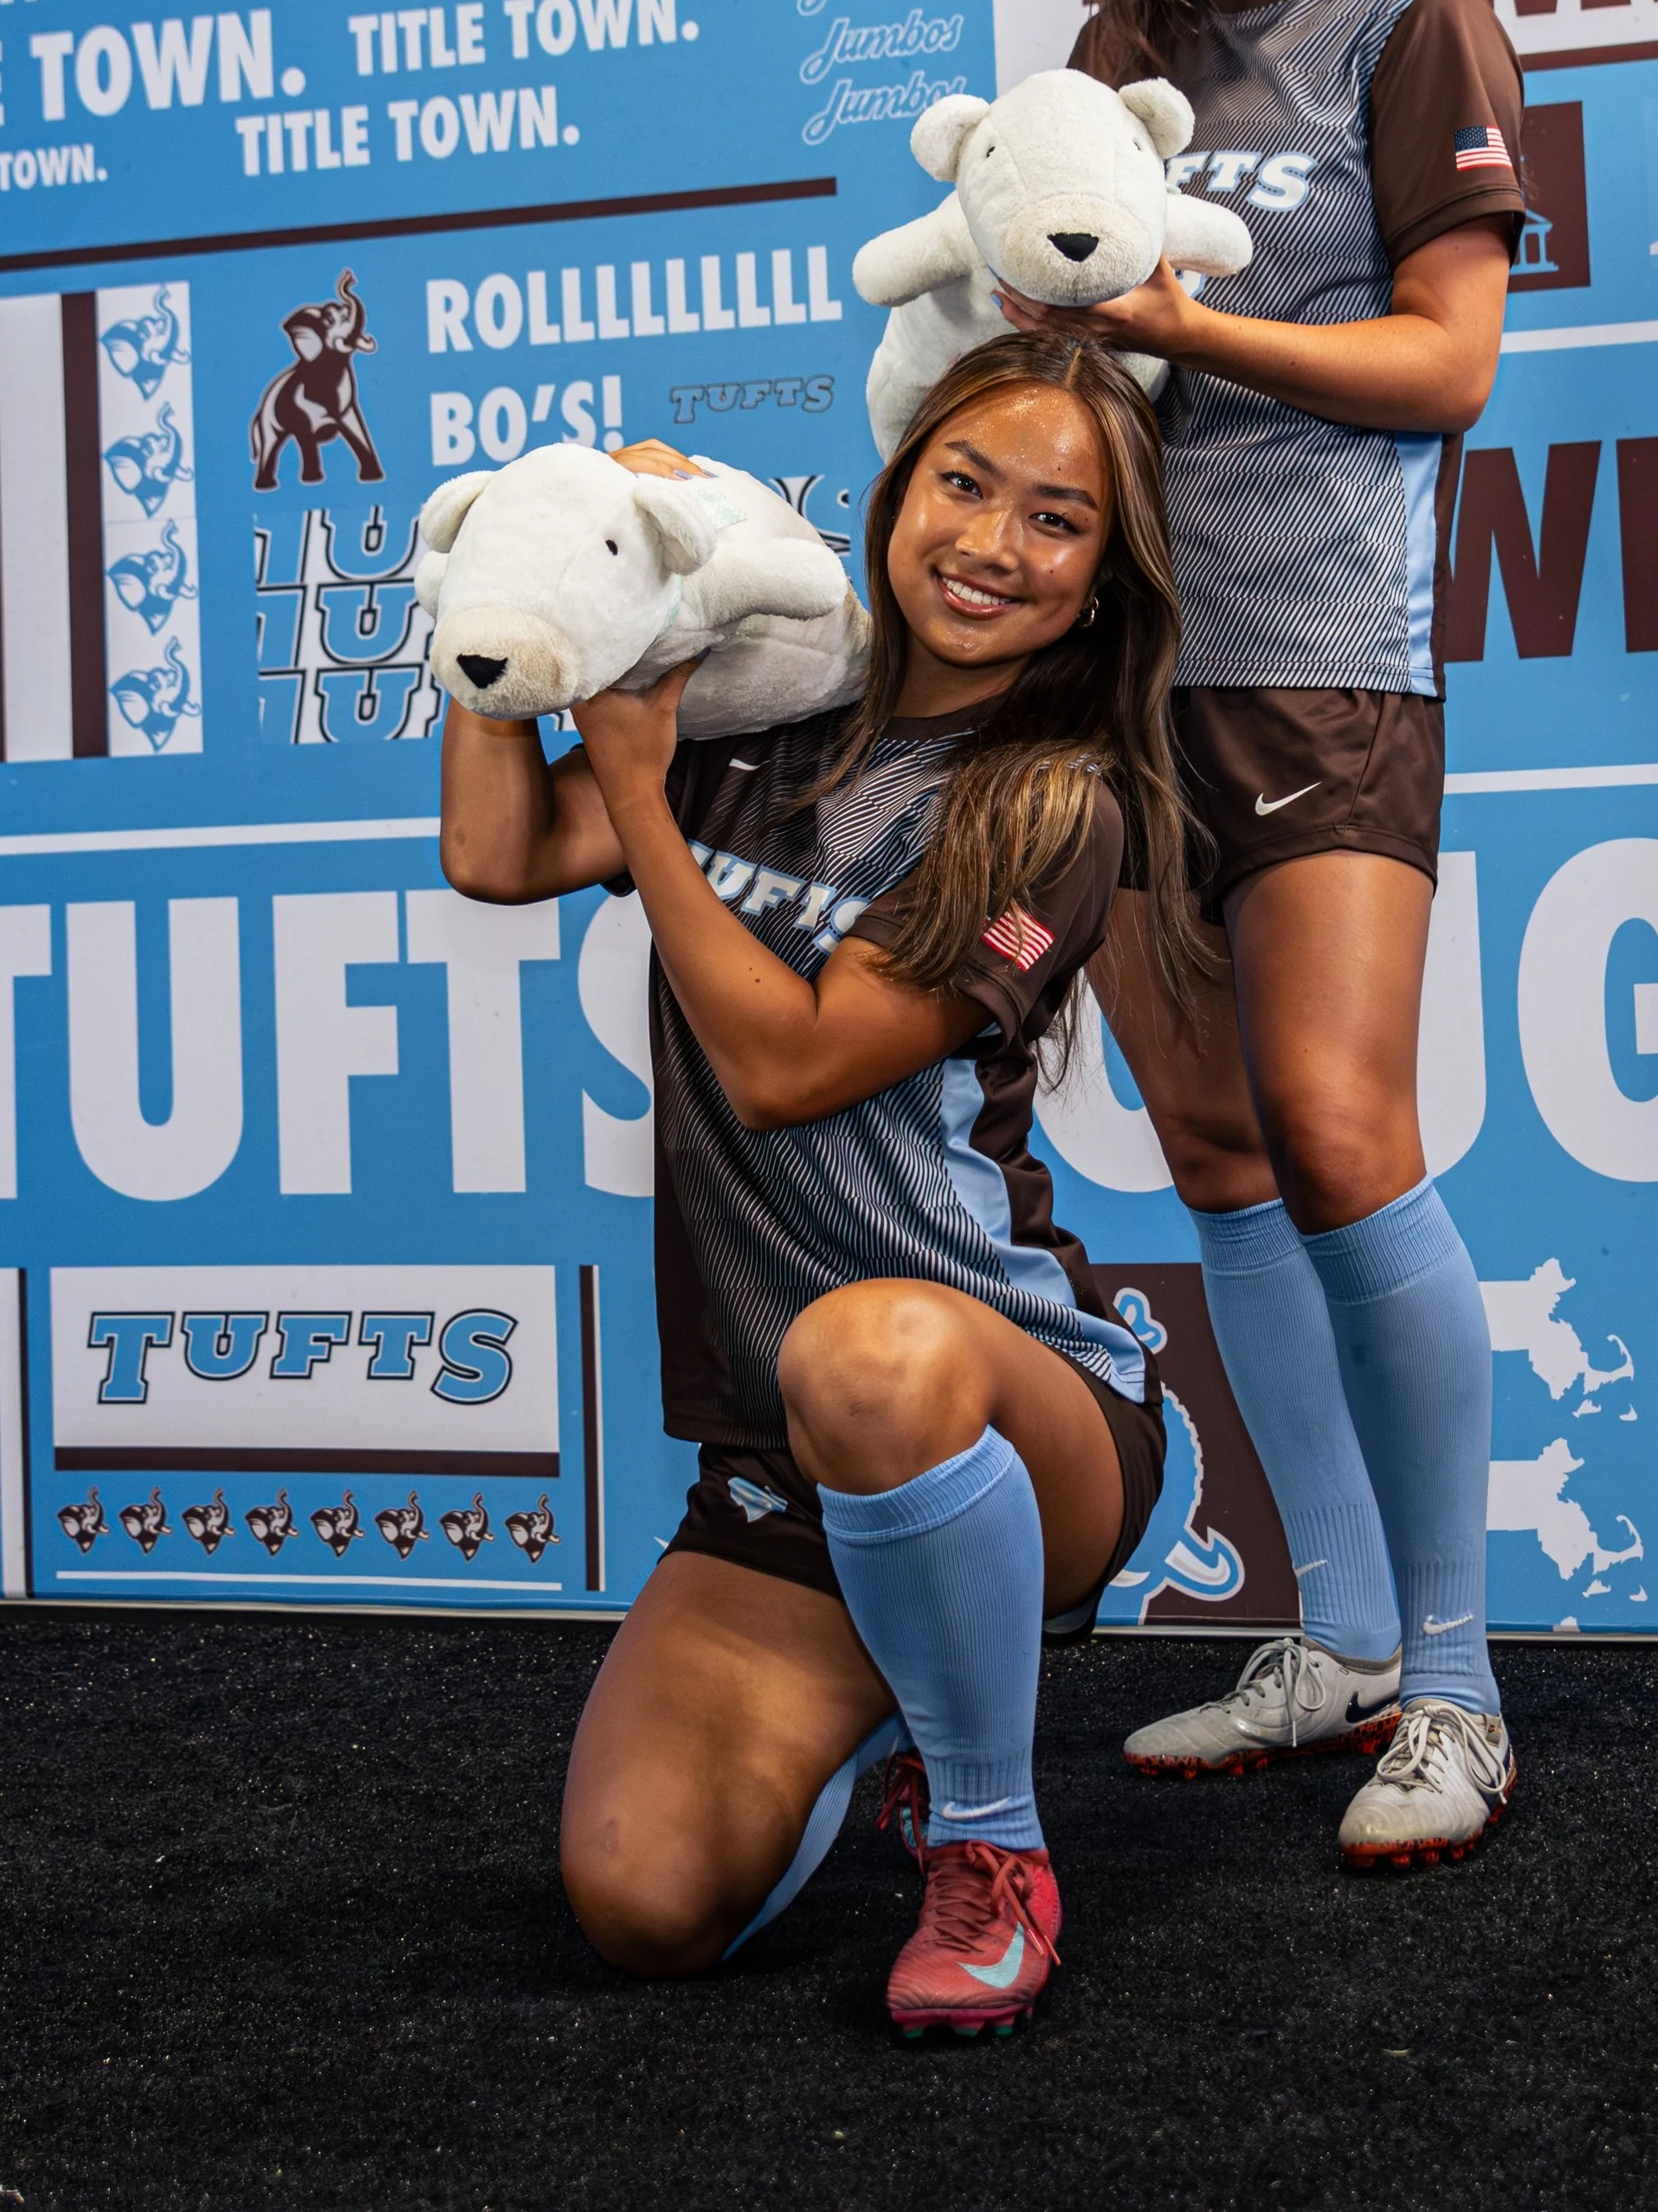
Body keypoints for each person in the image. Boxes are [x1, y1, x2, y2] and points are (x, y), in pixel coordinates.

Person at [438, 335, 1201, 2035]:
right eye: (963, 483)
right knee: (637, 1904)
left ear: (1100, 581)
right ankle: (924, 1685)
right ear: (892, 492)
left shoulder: (1052, 803)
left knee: (863, 1353)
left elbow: (786, 1068)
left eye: (1056, 520)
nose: (993, 541)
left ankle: (989, 1837)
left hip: (1015, 1407)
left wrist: (635, 790)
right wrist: (529, 585)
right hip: (779, 1486)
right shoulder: (760, 716)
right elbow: (493, 852)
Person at [999, 0, 1528, 1867]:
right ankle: (1332, 1640)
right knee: (1206, 1141)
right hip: (1114, 671)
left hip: (1320, 654)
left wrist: (1186, 327)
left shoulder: (1419, 21)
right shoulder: (1121, 40)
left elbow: (1447, 364)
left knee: (1332, 1125)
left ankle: (1466, 1684)